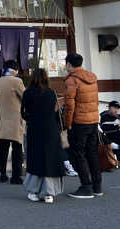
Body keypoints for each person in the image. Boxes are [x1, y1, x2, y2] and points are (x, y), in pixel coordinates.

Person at [21, 67, 65, 203]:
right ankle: (49, 194)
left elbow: (23, 112)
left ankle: (34, 192)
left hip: (35, 130)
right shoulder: (51, 93)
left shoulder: (28, 93)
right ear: (46, 78)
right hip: (51, 130)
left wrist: (31, 119)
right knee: (50, 159)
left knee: (35, 159)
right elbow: (56, 113)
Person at [63, 53, 102, 199]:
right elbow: (96, 100)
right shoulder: (92, 78)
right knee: (92, 153)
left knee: (78, 154)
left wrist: (68, 123)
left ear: (69, 64)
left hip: (79, 122)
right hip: (93, 120)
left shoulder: (72, 80)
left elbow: (69, 105)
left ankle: (86, 186)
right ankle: (97, 186)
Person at [0, 59, 26, 184]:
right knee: (17, 148)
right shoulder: (17, 81)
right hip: (14, 118)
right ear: (15, 70)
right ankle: (16, 176)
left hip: (2, 118)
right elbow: (25, 96)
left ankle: (2, 174)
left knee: (4, 147)